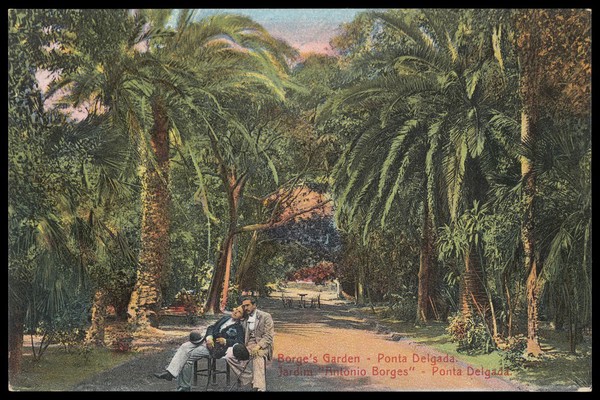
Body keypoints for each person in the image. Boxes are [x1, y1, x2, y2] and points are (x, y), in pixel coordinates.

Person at [154, 306, 247, 392]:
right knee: (184, 346)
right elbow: (211, 327)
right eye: (236, 309)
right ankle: (170, 374)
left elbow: (239, 342)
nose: (235, 312)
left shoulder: (238, 328)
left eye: (239, 312)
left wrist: (226, 341)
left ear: (242, 317)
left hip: (216, 349)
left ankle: (184, 386)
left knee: (189, 356)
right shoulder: (225, 318)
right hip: (206, 341)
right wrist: (209, 337)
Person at [227, 295, 274, 392]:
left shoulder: (265, 316)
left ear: (254, 305)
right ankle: (249, 378)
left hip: (262, 345)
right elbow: (234, 322)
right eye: (244, 306)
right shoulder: (244, 318)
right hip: (248, 345)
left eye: (248, 305)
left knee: (257, 356)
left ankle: (259, 388)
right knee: (229, 356)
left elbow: (268, 336)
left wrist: (258, 346)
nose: (246, 308)